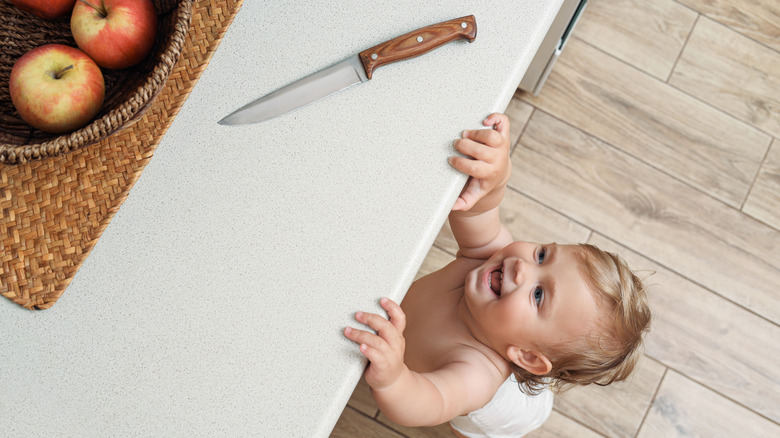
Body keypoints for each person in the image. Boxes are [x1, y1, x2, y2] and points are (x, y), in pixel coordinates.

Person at [344, 113, 652, 437]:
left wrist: (393, 379)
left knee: (468, 427)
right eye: (543, 256)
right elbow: (478, 210)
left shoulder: (476, 375)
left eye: (538, 294)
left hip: (504, 416)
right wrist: (495, 177)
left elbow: (428, 400)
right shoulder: (489, 259)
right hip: (531, 355)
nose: (523, 267)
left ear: (526, 355)